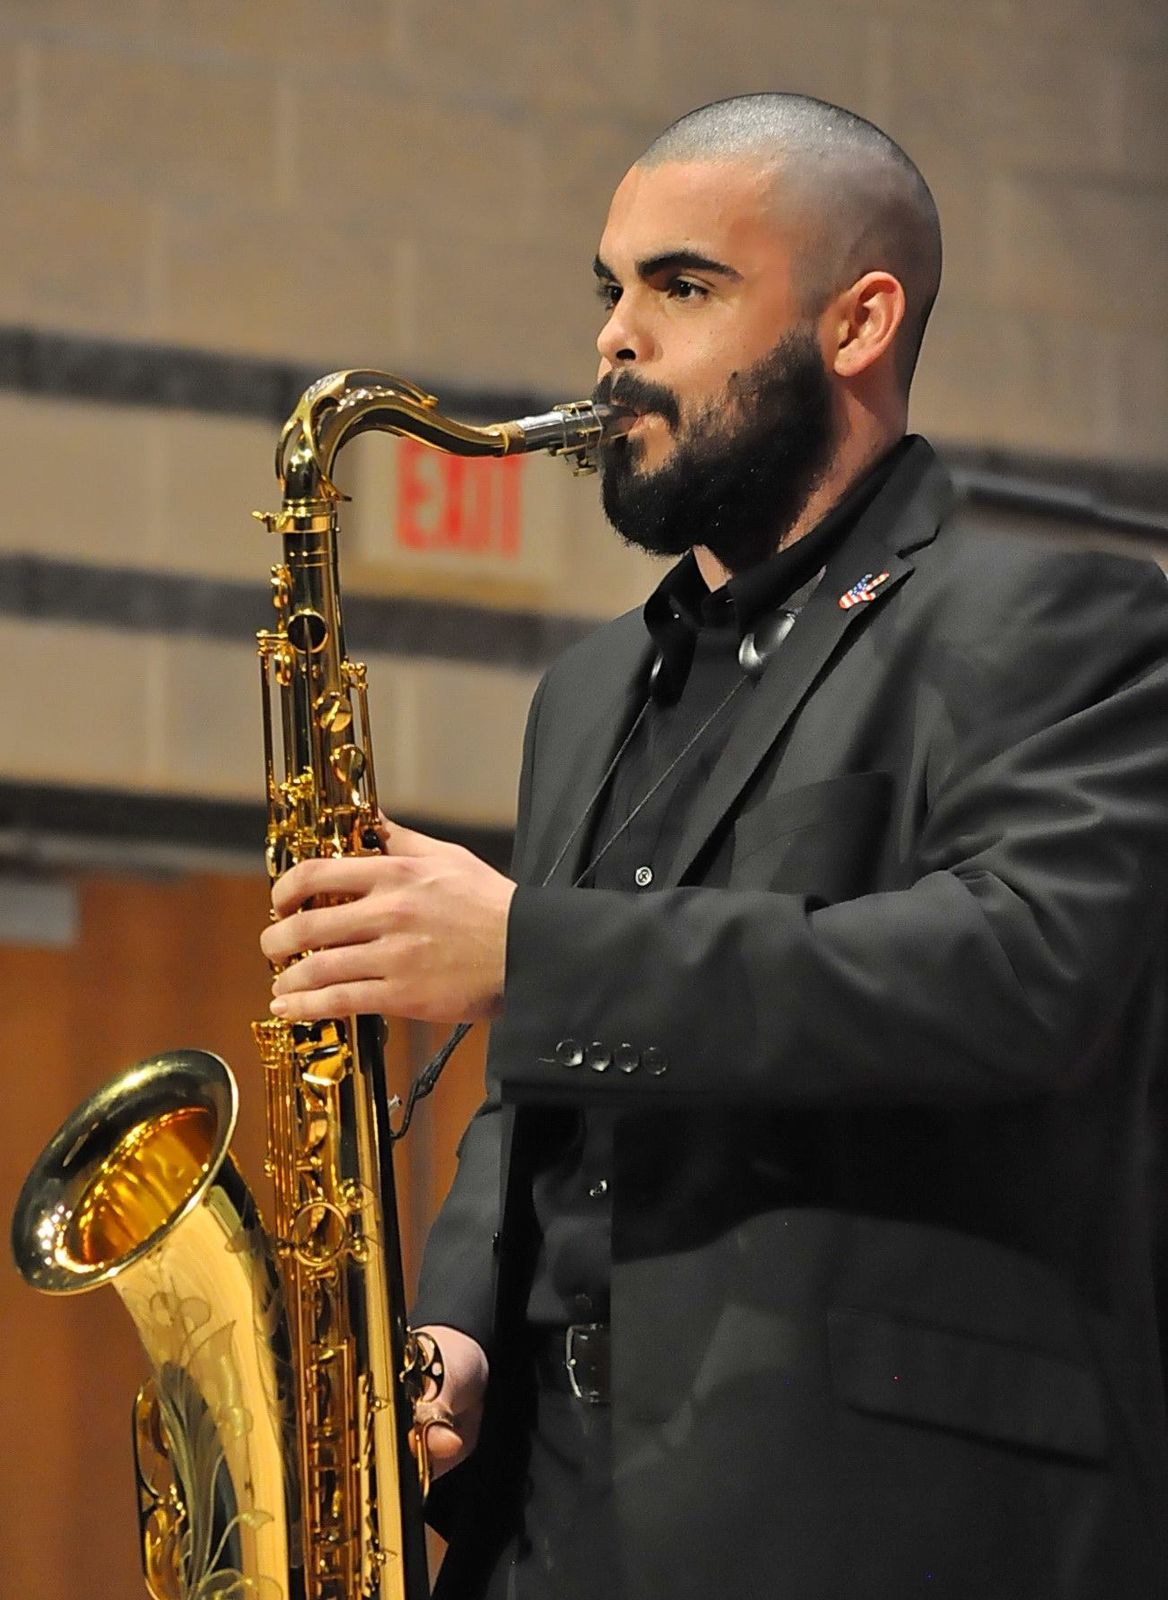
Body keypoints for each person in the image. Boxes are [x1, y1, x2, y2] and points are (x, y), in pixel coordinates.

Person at [260, 94, 1168, 1599]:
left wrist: (529, 953)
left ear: (859, 321)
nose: (615, 337)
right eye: (610, 287)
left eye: (682, 287)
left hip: (864, 1525)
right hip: (542, 1531)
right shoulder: (586, 691)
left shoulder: (1059, 625)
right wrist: (460, 1326)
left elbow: (1021, 974)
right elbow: (540, 1089)